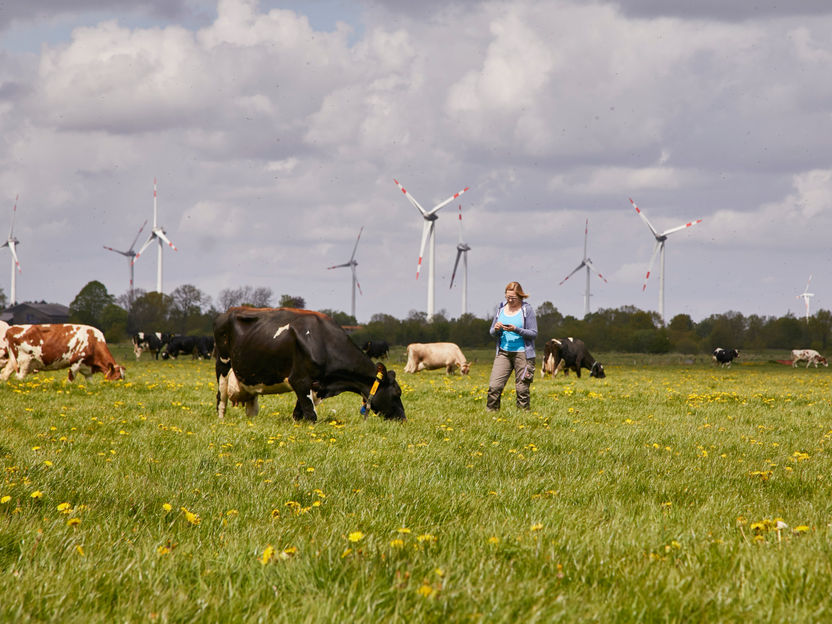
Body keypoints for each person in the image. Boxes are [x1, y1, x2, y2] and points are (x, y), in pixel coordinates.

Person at [486, 281, 538, 411]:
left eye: (513, 298)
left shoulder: (527, 310)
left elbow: (533, 333)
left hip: (523, 354)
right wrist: (496, 329)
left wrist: (516, 329)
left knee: (522, 389)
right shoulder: (501, 309)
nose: (510, 300)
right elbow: (492, 332)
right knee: (494, 386)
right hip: (503, 352)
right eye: (507, 297)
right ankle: (490, 415)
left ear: (520, 296)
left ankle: (522, 418)